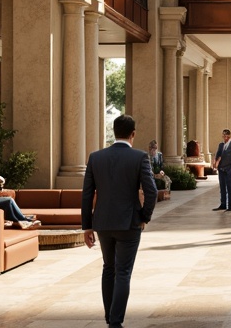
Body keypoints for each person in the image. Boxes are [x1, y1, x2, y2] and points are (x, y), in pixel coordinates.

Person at [81, 114, 157, 328]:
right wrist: (144, 217)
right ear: (133, 134)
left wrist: (87, 225)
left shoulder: (95, 157)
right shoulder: (140, 157)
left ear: (114, 132)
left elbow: (87, 194)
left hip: (103, 223)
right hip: (129, 223)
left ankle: (109, 317)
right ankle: (115, 322)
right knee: (123, 272)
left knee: (109, 268)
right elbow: (151, 191)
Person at [211, 129, 231, 212]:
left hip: (229, 169)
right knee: (222, 187)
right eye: (223, 136)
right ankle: (223, 204)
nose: (225, 138)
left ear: (229, 136)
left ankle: (230, 205)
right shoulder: (221, 145)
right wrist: (215, 162)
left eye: (226, 136)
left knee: (229, 187)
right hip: (221, 169)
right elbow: (218, 155)